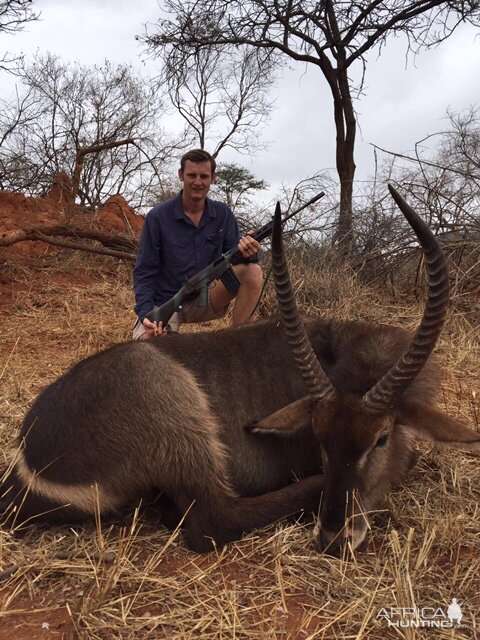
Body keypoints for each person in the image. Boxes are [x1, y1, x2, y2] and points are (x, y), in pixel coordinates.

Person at [133, 149, 263, 339]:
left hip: (205, 297)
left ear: (213, 178)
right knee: (151, 348)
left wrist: (249, 251)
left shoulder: (222, 213)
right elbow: (144, 271)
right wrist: (145, 313)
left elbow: (237, 257)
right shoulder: (158, 217)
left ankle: (239, 343)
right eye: (192, 175)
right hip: (165, 302)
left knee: (253, 271)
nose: (198, 182)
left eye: (204, 176)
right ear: (181, 175)